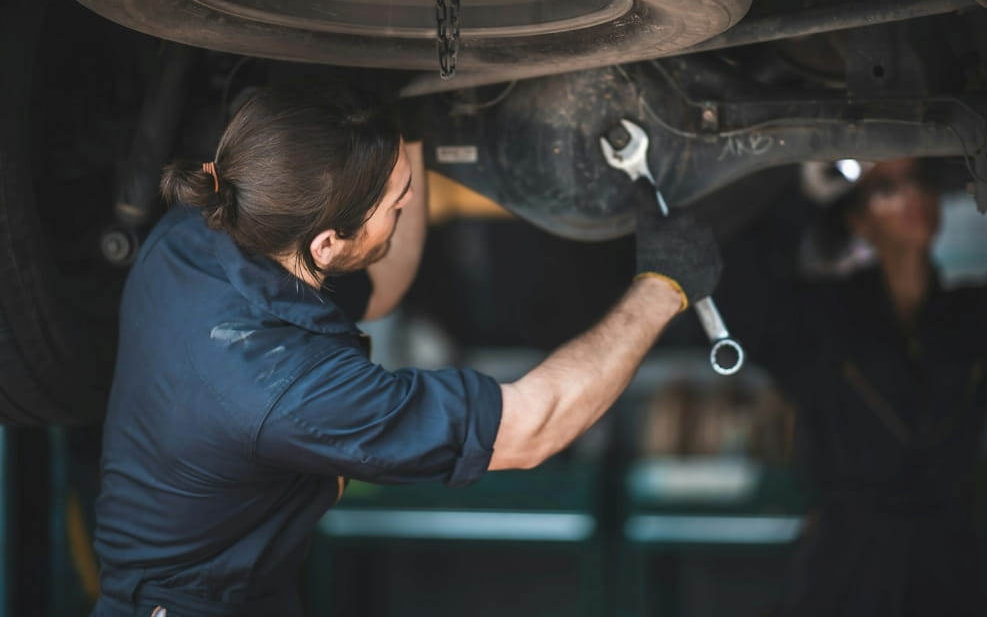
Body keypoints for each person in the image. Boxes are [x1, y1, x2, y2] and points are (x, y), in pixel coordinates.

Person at [89, 83, 720, 617]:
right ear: (328, 245)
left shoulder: (207, 226)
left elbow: (382, 285)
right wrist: (663, 285)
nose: (415, 202)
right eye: (398, 202)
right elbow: (533, 426)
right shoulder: (292, 390)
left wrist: (405, 118)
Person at [732, 158, 987, 617]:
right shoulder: (822, 323)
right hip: (847, 567)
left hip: (949, 565)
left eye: (919, 182)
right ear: (859, 221)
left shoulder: (972, 319)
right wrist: (808, 192)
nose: (911, 198)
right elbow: (744, 293)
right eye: (886, 188)